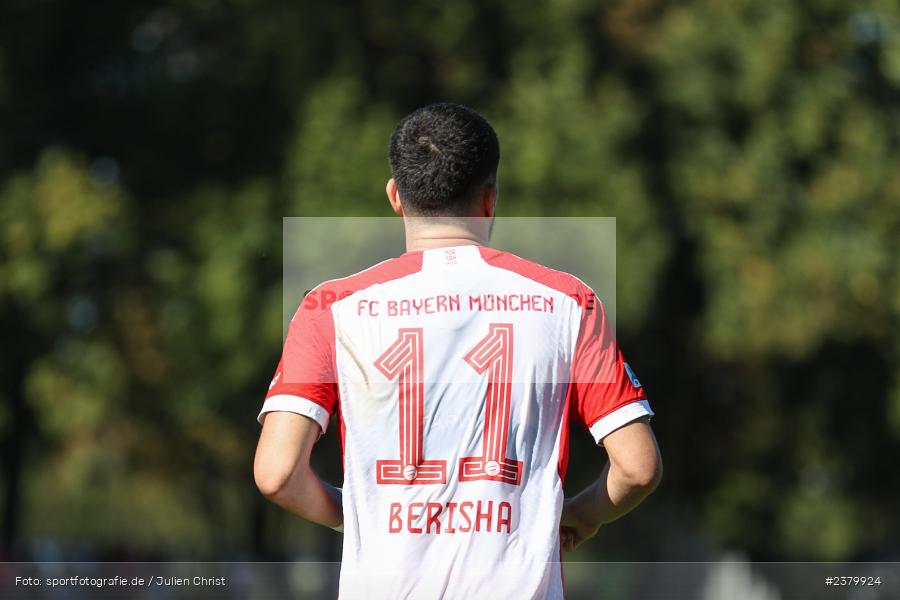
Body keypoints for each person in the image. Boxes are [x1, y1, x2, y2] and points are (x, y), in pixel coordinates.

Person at [253, 102, 662, 599]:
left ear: (395, 197)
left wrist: (363, 516)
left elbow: (276, 474)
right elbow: (638, 468)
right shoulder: (569, 302)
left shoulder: (330, 307)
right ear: (490, 199)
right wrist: (582, 514)